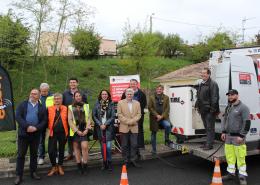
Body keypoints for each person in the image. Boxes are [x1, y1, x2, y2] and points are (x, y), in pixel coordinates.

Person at [14, 89, 47, 185]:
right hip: (23, 134)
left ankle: (33, 172)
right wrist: (27, 126)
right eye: (31, 93)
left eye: (35, 94)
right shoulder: (23, 104)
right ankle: (18, 175)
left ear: (39, 95)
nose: (32, 95)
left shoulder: (42, 107)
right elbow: (18, 116)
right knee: (21, 155)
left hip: (35, 134)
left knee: (34, 154)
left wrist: (36, 128)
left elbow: (44, 121)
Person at [221, 89, 250, 185]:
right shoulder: (228, 107)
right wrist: (223, 132)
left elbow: (247, 123)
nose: (230, 97)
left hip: (238, 137)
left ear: (237, 95)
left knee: (240, 157)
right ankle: (231, 173)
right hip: (228, 137)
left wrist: (242, 135)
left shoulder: (243, 108)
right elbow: (224, 119)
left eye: (232, 95)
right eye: (229, 95)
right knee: (230, 156)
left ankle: (242, 176)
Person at [63, 77, 87, 161]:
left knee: (81, 136)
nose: (72, 84)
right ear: (69, 84)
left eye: (74, 82)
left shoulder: (82, 93)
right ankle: (70, 153)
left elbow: (86, 105)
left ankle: (79, 153)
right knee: (70, 136)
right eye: (71, 82)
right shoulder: (65, 93)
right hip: (69, 119)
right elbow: (63, 105)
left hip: (81, 119)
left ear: (77, 83)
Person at [195, 67, 219, 150]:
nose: (203, 74)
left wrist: (212, 110)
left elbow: (215, 98)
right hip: (202, 110)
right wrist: (197, 106)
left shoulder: (213, 84)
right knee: (206, 127)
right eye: (202, 73)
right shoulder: (201, 83)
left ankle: (209, 145)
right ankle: (207, 142)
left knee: (210, 127)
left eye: (204, 73)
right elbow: (199, 97)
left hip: (209, 110)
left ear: (209, 74)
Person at [121, 79, 147, 158]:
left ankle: (137, 152)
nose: (132, 85)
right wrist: (128, 120)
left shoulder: (141, 94)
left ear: (137, 84)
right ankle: (129, 154)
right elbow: (122, 104)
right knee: (128, 136)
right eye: (131, 84)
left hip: (137, 118)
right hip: (127, 119)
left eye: (134, 84)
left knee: (137, 135)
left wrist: (135, 118)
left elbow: (143, 105)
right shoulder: (125, 93)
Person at [68, 91, 91, 174]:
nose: (78, 97)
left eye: (79, 95)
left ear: (81, 97)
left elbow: (88, 118)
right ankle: (79, 165)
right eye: (76, 96)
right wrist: (76, 130)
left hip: (84, 129)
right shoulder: (70, 107)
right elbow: (70, 120)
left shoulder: (86, 106)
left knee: (84, 146)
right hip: (75, 130)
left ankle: (85, 164)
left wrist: (87, 129)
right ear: (74, 97)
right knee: (76, 148)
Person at [118, 88, 141, 168]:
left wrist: (132, 121)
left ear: (133, 95)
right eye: (128, 94)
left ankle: (133, 160)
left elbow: (139, 114)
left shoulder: (137, 103)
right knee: (124, 145)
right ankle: (126, 161)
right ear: (125, 94)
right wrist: (129, 122)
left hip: (134, 127)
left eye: (131, 94)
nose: (129, 95)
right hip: (124, 127)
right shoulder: (120, 103)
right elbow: (119, 115)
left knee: (134, 144)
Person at [92, 90, 115, 171]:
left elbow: (113, 116)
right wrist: (100, 124)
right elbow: (94, 116)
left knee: (108, 147)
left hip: (108, 128)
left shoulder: (111, 104)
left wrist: (105, 124)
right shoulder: (97, 104)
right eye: (103, 94)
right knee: (102, 147)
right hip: (100, 128)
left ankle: (109, 162)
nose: (104, 95)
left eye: (105, 94)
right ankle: (104, 162)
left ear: (108, 95)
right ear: (100, 95)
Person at [47, 93, 68, 176]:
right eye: (55, 98)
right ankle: (53, 166)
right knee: (51, 151)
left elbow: (68, 120)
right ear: (53, 100)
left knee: (61, 149)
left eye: (58, 98)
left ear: (61, 100)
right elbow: (46, 120)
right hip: (53, 132)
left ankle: (60, 165)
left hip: (63, 132)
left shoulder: (65, 108)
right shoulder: (49, 108)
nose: (57, 100)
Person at [148, 85, 172, 154]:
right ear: (156, 89)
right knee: (153, 133)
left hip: (163, 117)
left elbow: (167, 108)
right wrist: (157, 115)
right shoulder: (152, 97)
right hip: (154, 118)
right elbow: (150, 107)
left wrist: (162, 116)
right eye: (158, 89)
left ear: (162, 90)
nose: (159, 90)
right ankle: (154, 150)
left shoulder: (166, 98)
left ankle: (166, 139)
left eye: (160, 89)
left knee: (168, 125)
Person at [38, 83, 54, 165]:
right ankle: (41, 157)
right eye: (42, 91)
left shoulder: (53, 97)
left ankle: (54, 156)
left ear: (48, 90)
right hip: (41, 122)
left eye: (45, 91)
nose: (44, 93)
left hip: (51, 121)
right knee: (41, 140)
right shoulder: (37, 97)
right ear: (40, 90)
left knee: (53, 139)